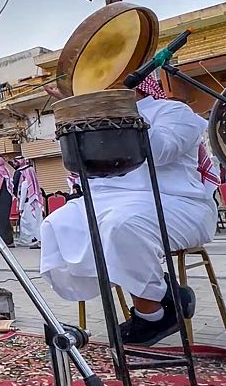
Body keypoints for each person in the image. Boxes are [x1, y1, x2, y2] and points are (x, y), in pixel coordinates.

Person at [40, 77, 216, 346]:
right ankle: (165, 292)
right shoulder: (94, 116)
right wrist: (78, 108)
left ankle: (152, 314)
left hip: (175, 202)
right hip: (106, 201)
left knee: (122, 225)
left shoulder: (174, 112)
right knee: (57, 224)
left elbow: (161, 151)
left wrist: (118, 109)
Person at [14, 159, 43, 248]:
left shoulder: (25, 183)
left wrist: (20, 208)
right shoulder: (34, 183)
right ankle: (38, 239)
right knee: (37, 222)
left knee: (26, 223)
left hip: (27, 205)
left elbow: (23, 197)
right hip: (36, 204)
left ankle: (27, 240)